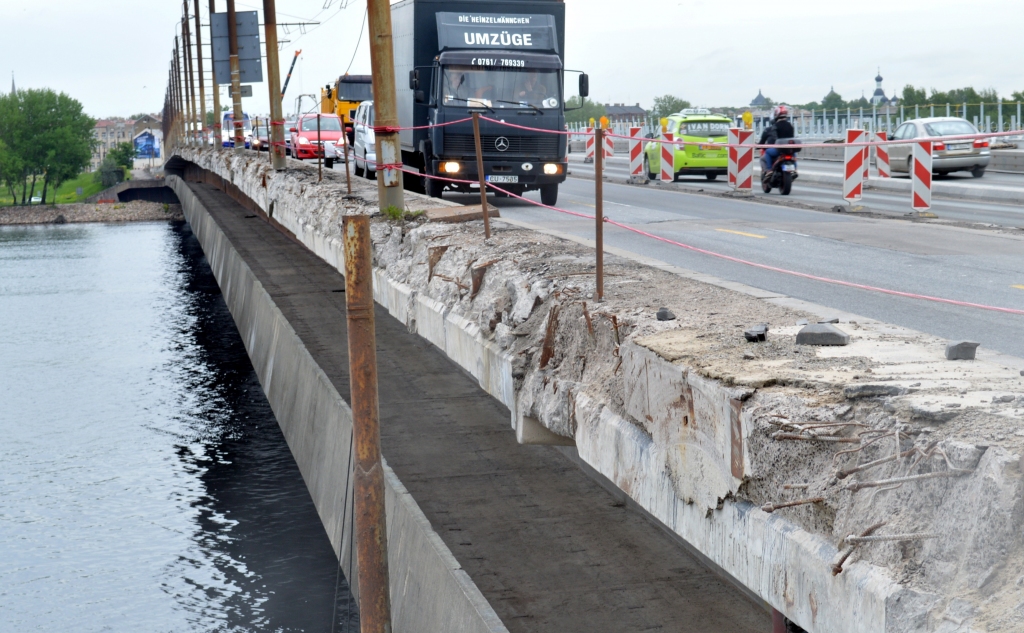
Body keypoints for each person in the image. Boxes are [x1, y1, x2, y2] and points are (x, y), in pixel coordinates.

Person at [759, 105, 795, 171]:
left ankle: (769, 170)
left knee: (768, 152)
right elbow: (792, 137)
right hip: (789, 150)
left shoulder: (775, 126)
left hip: (779, 150)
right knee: (794, 155)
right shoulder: (790, 126)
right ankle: (795, 169)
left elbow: (774, 138)